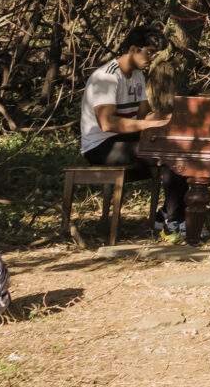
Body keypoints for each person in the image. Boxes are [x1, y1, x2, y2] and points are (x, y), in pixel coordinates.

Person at [78, 27, 187, 236]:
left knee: (180, 147)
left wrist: (170, 119)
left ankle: (166, 215)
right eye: (149, 52)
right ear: (132, 49)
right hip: (101, 145)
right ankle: (174, 223)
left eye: (155, 54)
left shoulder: (138, 76)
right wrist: (147, 126)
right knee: (169, 154)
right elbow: (107, 123)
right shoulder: (107, 77)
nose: (151, 58)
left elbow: (144, 116)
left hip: (125, 138)